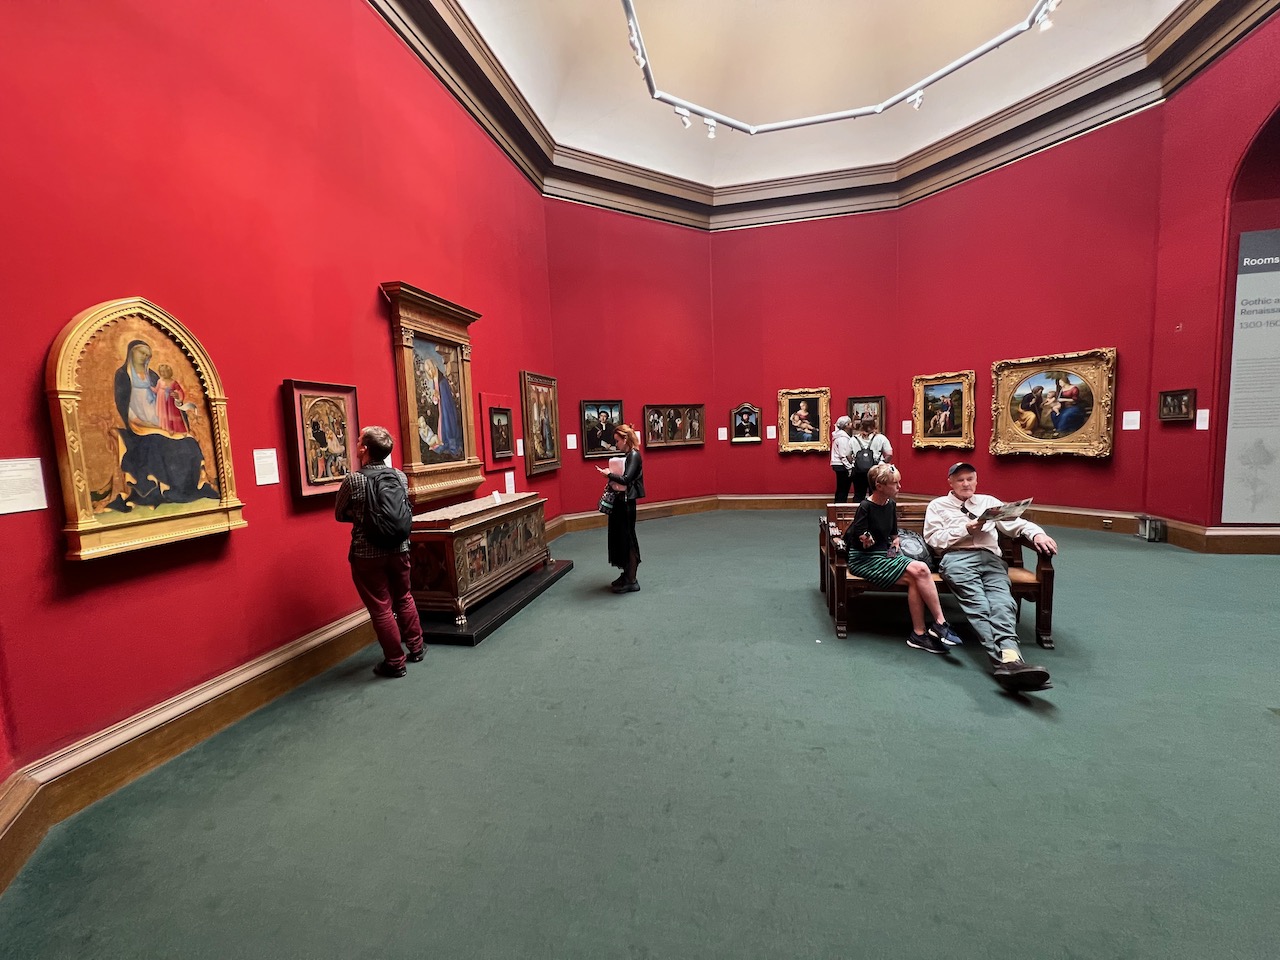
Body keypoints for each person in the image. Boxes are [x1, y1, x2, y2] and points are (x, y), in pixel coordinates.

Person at [923, 462, 1057, 692]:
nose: (966, 484)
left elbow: (1017, 525)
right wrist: (965, 529)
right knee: (979, 606)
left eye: (970, 479)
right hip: (957, 559)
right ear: (951, 483)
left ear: (976, 481)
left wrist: (1037, 535)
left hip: (991, 560)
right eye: (960, 480)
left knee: (1004, 604)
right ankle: (1009, 661)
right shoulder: (938, 506)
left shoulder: (988, 502)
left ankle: (1009, 663)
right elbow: (933, 540)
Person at [335, 425, 425, 679]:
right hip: (400, 547)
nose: (356, 444)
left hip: (367, 553)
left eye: (359, 441)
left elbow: (339, 513)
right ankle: (417, 647)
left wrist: (361, 516)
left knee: (381, 607)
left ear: (365, 449)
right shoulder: (400, 476)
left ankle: (395, 662)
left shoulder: (354, 480)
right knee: (404, 597)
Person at [844, 464, 962, 654]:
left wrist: (893, 549)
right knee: (921, 569)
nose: (899, 487)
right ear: (879, 486)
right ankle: (940, 623)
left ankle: (919, 633)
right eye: (895, 483)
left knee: (916, 578)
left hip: (885, 555)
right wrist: (866, 538)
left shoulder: (890, 504)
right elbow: (859, 533)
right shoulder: (865, 507)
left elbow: (893, 535)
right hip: (864, 559)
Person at [596, 422, 645, 593]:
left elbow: (626, 479)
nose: (616, 444)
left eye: (617, 441)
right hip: (620, 502)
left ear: (625, 439)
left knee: (628, 538)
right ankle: (626, 574)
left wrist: (608, 474)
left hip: (626, 503)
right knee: (621, 538)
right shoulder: (629, 455)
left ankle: (632, 579)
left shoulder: (634, 455)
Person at [850, 415, 893, 502]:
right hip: (876, 470)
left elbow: (847, 455)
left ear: (861, 425)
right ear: (874, 425)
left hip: (858, 471)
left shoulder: (853, 439)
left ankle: (858, 510)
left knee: (858, 494)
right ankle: (874, 510)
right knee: (875, 494)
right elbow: (889, 454)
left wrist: (855, 462)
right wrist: (883, 463)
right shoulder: (881, 438)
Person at [829, 415, 856, 503]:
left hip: (838, 464)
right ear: (846, 425)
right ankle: (840, 506)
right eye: (850, 423)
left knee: (841, 488)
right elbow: (843, 455)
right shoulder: (843, 438)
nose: (851, 424)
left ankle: (838, 505)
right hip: (842, 465)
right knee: (843, 488)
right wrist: (849, 468)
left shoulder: (839, 436)